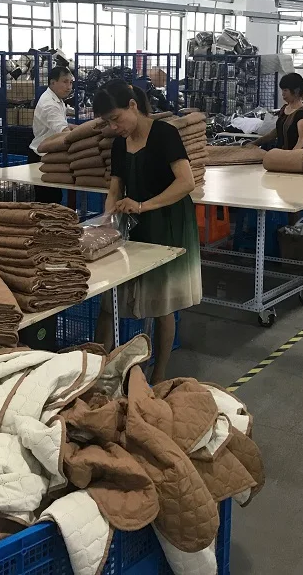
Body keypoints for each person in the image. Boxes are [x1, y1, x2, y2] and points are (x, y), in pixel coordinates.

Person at [92, 80, 201, 382]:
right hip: (134, 223)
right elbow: (115, 189)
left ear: (132, 106)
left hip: (167, 222)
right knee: (111, 299)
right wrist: (107, 221)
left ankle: (159, 375)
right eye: (108, 122)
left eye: (116, 119)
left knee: (162, 303)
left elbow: (186, 182)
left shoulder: (165, 134)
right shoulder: (119, 144)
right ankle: (96, 373)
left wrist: (143, 206)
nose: (114, 127)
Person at [28, 65, 75, 203]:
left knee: (54, 198)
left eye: (71, 82)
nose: (69, 87)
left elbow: (64, 125)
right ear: (53, 82)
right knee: (48, 200)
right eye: (65, 82)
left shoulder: (57, 99)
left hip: (50, 156)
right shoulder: (49, 104)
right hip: (41, 157)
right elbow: (63, 131)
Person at [252, 72, 303, 150]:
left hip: (290, 154)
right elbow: (276, 132)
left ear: (296, 91)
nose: (283, 94)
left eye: (285, 90)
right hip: (279, 152)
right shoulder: (284, 109)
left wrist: (291, 154)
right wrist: (254, 143)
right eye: (282, 90)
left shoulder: (301, 114)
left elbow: (302, 138)